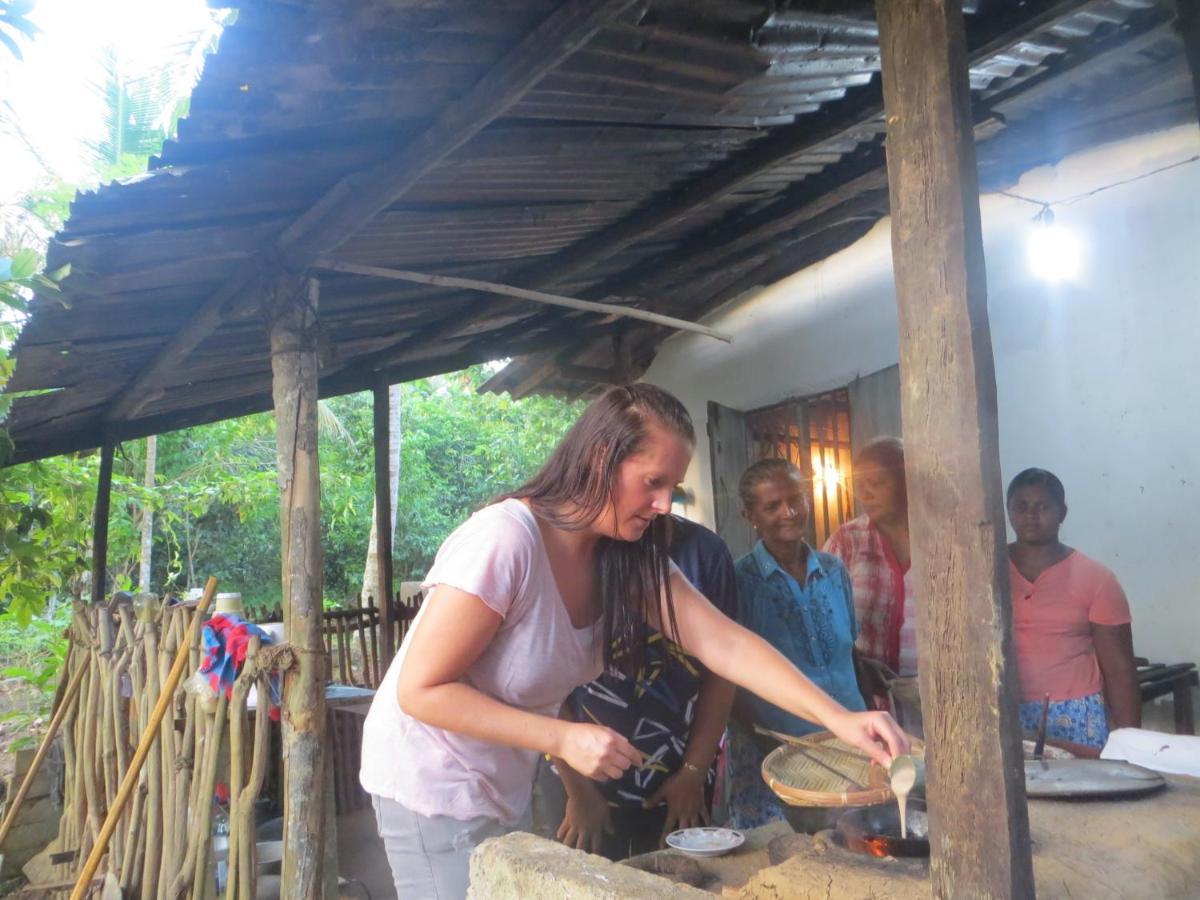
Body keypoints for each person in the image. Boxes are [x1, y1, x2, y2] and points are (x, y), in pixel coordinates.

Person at [359, 385, 908, 899]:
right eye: (653, 482)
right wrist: (563, 737)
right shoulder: (504, 539)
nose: (665, 504)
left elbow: (726, 645)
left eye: (674, 487)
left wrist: (841, 722)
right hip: (430, 784)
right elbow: (422, 690)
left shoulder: (624, 555)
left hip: (499, 781)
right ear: (601, 459)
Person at [552, 515, 737, 860]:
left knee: (684, 884)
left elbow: (723, 671)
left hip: (682, 782)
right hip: (581, 782)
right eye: (652, 482)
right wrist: (577, 790)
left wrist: (693, 773)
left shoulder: (705, 552)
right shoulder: (577, 549)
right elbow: (544, 682)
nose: (662, 501)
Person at [726, 459, 866, 830]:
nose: (788, 513)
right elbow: (728, 675)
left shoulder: (834, 570)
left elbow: (848, 649)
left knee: (854, 851)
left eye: (795, 500)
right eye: (772, 506)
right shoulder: (739, 581)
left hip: (846, 747)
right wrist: (764, 739)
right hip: (776, 752)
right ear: (749, 515)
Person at [1006, 467, 1140, 753]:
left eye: (1043, 506)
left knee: (1080, 793)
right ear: (1007, 510)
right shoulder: (987, 568)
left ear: (1062, 513)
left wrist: (1132, 745)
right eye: (1021, 506)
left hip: (1077, 715)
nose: (1031, 515)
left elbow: (1119, 668)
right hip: (1004, 709)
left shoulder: (1096, 579)